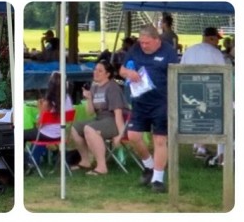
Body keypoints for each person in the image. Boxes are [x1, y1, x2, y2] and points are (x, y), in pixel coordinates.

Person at [119, 24, 179, 193]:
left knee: (159, 139)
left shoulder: (168, 52)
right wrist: (129, 73)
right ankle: (149, 166)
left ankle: (158, 180)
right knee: (133, 136)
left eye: (147, 43)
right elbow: (122, 69)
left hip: (162, 102)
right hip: (140, 100)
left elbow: (176, 75)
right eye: (141, 42)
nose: (143, 46)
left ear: (156, 40)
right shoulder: (136, 49)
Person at [70, 60, 128, 175]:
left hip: (112, 120)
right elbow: (90, 112)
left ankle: (102, 166)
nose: (96, 72)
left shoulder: (112, 88)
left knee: (89, 129)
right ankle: (85, 160)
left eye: (100, 71)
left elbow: (118, 113)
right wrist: (88, 98)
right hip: (99, 118)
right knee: (75, 127)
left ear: (108, 74)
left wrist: (120, 135)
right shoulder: (95, 86)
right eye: (95, 69)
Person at [180, 27, 227, 159]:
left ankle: (198, 145)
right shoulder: (215, 53)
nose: (218, 42)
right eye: (217, 39)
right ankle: (211, 150)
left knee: (197, 115)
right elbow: (223, 73)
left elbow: (181, 69)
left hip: (188, 91)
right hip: (209, 91)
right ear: (211, 38)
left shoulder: (190, 51)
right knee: (214, 115)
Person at [24, 72, 73, 171]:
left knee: (21, 135)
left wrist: (40, 108)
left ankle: (25, 162)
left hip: (46, 134)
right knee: (35, 134)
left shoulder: (48, 102)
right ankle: (34, 159)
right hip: (61, 134)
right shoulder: (68, 99)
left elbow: (39, 124)